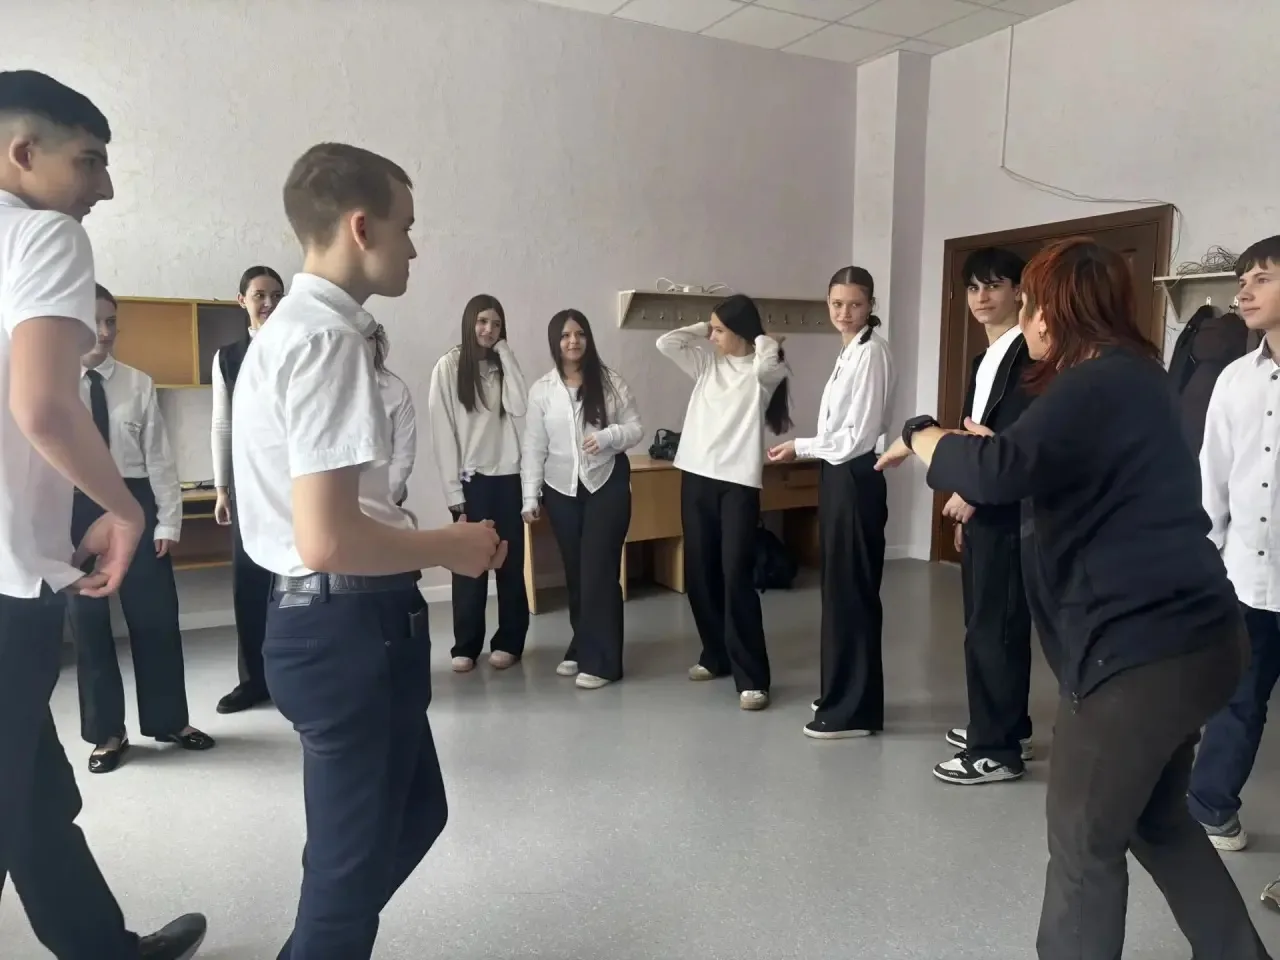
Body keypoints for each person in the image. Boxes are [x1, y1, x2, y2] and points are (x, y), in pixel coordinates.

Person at [876, 237, 1270, 960]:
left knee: (1084, 844)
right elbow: (1032, 464)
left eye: (1029, 303)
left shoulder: (1094, 384)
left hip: (1139, 657)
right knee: (1157, 819)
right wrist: (979, 452)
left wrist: (921, 433)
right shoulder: (1135, 377)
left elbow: (996, 471)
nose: (1024, 318)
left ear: (1054, 312)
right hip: (1201, 640)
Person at [231, 141, 506, 960]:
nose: (413, 247)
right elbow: (328, 538)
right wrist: (451, 545)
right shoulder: (325, 340)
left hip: (337, 623)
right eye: (406, 227)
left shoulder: (293, 331)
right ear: (361, 227)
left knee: (410, 818)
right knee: (347, 881)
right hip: (344, 628)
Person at [0, 68, 205, 959]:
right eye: (89, 161)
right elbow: (43, 407)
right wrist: (124, 509)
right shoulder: (44, 234)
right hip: (5, 585)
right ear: (22, 152)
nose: (106, 187)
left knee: (35, 794)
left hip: (18, 562)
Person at [68, 284, 215, 773]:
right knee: (89, 627)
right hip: (74, 508)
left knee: (156, 618)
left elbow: (160, 459)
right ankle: (107, 732)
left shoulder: (138, 383)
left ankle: (169, 720)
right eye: (95, 321)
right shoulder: (51, 383)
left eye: (112, 321)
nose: (105, 331)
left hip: (136, 502)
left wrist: (168, 519)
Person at [768, 267, 892, 739]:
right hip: (838, 473)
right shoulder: (850, 350)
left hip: (856, 475)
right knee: (838, 591)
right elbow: (838, 431)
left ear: (870, 305)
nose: (845, 312)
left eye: (855, 304)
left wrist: (801, 446)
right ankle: (841, 694)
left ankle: (854, 711)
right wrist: (807, 448)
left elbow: (858, 436)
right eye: (837, 304)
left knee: (852, 594)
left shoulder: (872, 353)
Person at [1188, 235, 1280, 853]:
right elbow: (1213, 476)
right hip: (1246, 574)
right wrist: (1210, 559)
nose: (1243, 292)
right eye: (1241, 280)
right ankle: (1209, 807)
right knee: (1238, 698)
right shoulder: (1234, 379)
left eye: (1262, 279)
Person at [657, 293, 790, 711]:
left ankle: (753, 678)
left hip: (738, 484)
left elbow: (768, 363)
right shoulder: (707, 364)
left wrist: (762, 338)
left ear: (741, 332)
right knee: (700, 573)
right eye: (710, 330)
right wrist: (705, 326)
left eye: (719, 331)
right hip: (695, 476)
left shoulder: (762, 372)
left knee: (736, 576)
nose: (711, 337)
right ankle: (715, 655)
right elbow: (666, 343)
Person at [935, 247, 1037, 784]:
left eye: (994, 286)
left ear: (1019, 291)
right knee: (989, 622)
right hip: (981, 507)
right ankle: (1005, 724)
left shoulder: (1028, 357)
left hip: (1004, 507)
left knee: (994, 627)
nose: (981, 297)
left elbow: (1011, 445)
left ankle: (995, 749)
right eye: (974, 288)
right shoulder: (986, 358)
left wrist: (974, 495)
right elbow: (974, 438)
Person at [521, 309, 643, 688]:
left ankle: (603, 663)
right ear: (555, 342)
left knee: (599, 571)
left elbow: (636, 428)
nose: (573, 341)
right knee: (575, 571)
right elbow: (534, 446)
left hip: (606, 484)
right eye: (565, 335)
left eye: (579, 334)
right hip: (561, 490)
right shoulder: (542, 390)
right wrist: (530, 495)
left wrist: (608, 437)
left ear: (588, 339)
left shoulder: (610, 382)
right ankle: (582, 644)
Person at [428, 294, 529, 673]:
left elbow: (519, 406)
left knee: (510, 564)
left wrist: (506, 353)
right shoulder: (449, 366)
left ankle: (510, 641)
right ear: (470, 322)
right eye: (483, 321)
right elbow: (442, 432)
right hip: (471, 480)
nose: (489, 330)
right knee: (468, 565)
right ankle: (466, 645)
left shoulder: (503, 364)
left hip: (509, 477)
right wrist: (453, 491)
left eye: (497, 324)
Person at [211, 264, 283, 714]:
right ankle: (254, 680)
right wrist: (222, 487)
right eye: (260, 295)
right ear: (242, 300)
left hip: (291, 481)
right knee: (250, 581)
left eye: (276, 294)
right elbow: (222, 424)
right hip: (247, 483)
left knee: (294, 579)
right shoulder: (228, 357)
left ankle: (294, 675)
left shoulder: (295, 346)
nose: (269, 303)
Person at [369, 323, 415, 508]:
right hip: (341, 500)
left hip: (388, 498)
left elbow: (404, 455)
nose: (364, 344)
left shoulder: (396, 390)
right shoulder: (331, 388)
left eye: (370, 338)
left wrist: (385, 498)